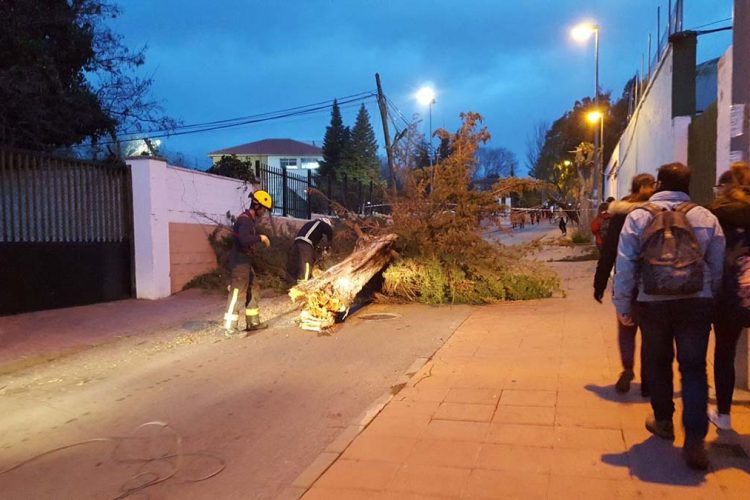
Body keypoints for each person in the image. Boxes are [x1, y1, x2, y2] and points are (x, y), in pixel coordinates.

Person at [614, 162, 724, 470]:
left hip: (653, 303)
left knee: (658, 362)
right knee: (694, 369)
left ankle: (663, 422)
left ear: (660, 183)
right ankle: (694, 440)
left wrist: (623, 306)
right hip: (695, 304)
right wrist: (709, 297)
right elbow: (717, 267)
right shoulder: (705, 217)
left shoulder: (638, 217)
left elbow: (625, 266)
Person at [593, 173, 656, 395]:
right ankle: (649, 380)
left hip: (627, 281)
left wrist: (599, 283)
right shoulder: (658, 211)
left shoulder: (621, 214)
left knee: (626, 329)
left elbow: (609, 250)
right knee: (651, 333)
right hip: (655, 283)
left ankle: (628, 369)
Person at [707, 162, 750, 430]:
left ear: (724, 187)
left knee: (724, 352)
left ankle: (723, 415)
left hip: (728, 291)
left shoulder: (715, 214)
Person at [223, 189, 273, 336]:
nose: (264, 212)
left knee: (254, 289)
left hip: (245, 262)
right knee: (237, 293)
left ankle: (253, 322)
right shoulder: (244, 220)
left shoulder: (248, 220)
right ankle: (229, 328)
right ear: (257, 206)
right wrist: (261, 238)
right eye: (264, 209)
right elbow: (244, 240)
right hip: (239, 264)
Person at [293, 217, 334, 281]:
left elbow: (314, 245)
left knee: (301, 263)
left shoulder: (312, 225)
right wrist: (329, 244)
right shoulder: (321, 223)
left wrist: (319, 250)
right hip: (305, 242)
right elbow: (329, 231)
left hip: (298, 242)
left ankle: (298, 279)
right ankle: (303, 282)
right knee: (307, 263)